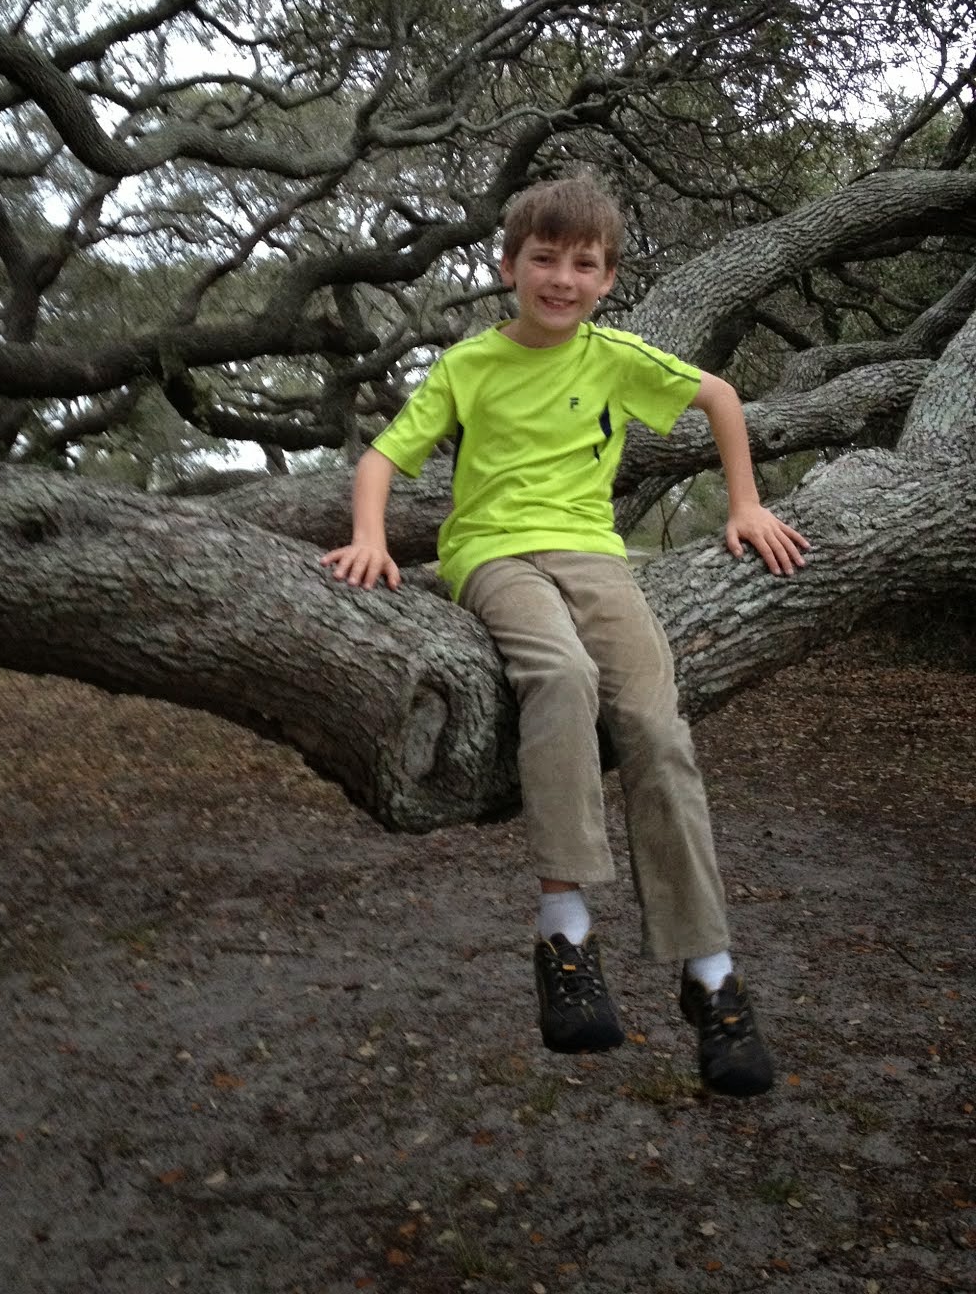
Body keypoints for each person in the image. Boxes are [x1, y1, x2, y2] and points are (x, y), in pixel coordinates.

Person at [321, 174, 810, 1099]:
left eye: (583, 264)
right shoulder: (469, 365)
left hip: (596, 557)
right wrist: (371, 538)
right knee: (561, 676)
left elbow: (720, 396)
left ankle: (711, 978)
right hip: (494, 556)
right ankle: (565, 930)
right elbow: (386, 455)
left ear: (608, 279)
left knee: (659, 729)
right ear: (507, 267)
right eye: (543, 259)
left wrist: (746, 503)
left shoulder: (614, 356)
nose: (562, 278)